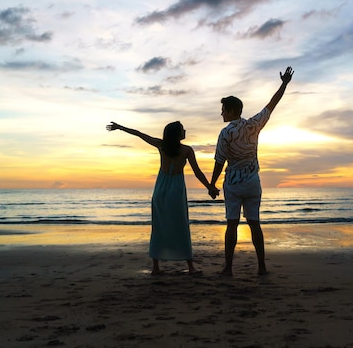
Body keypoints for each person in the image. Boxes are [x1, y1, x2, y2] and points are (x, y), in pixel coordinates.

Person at [210, 67, 294, 276]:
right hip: (253, 182)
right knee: (254, 223)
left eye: (223, 110)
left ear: (230, 111)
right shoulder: (254, 124)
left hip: (233, 183)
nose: (221, 113)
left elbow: (219, 162)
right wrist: (284, 83)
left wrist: (211, 184)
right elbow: (272, 105)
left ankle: (228, 268)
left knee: (232, 224)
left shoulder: (226, 132)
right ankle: (262, 267)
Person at [107, 121, 219, 275]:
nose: (185, 131)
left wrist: (120, 127)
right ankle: (191, 266)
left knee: (159, 226)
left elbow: (139, 134)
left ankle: (156, 267)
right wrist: (210, 187)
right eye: (182, 129)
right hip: (176, 190)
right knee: (181, 226)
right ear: (177, 134)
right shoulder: (186, 150)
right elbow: (197, 172)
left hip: (160, 189)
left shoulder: (161, 146)